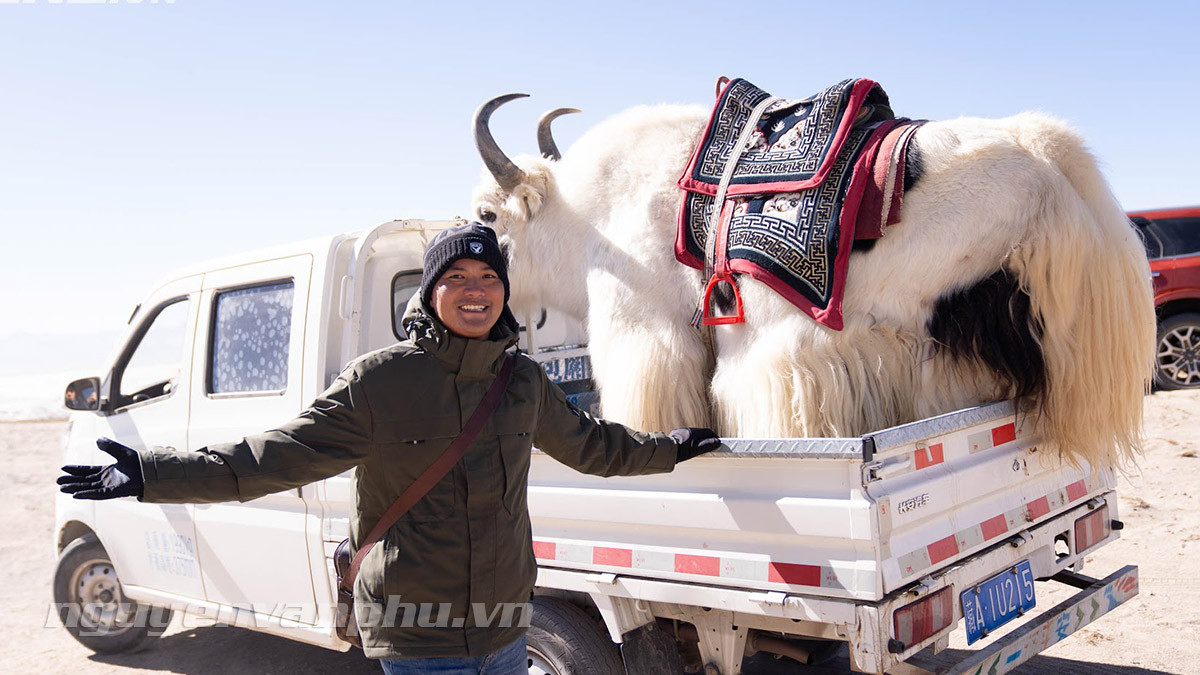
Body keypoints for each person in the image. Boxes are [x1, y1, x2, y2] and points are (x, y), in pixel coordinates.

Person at [58, 223, 720, 675]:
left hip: (506, 628)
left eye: (488, 277)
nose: (474, 290)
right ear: (431, 292)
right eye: (456, 276)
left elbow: (595, 446)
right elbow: (265, 459)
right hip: (418, 635)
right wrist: (147, 473)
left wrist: (674, 446)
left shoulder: (520, 381)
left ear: (503, 291)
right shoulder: (380, 383)